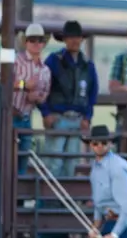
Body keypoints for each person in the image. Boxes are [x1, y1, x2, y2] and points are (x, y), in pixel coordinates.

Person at [40, 20, 99, 177]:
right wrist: (46, 113)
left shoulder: (88, 65)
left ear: (81, 39)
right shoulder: (54, 60)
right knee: (55, 163)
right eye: (70, 37)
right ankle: (52, 201)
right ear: (65, 40)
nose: (74, 40)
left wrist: (87, 117)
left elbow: (92, 94)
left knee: (71, 163)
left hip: (77, 119)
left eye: (77, 37)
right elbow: (43, 87)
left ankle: (60, 200)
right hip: (58, 117)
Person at [12, 23, 51, 175]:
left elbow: (45, 94)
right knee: (10, 159)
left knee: (23, 160)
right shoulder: (16, 61)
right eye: (32, 40)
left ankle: (18, 197)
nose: (36, 43)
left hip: (26, 117)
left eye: (39, 40)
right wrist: (24, 85)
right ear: (26, 42)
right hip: (12, 116)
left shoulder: (45, 70)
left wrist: (37, 98)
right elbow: (4, 82)